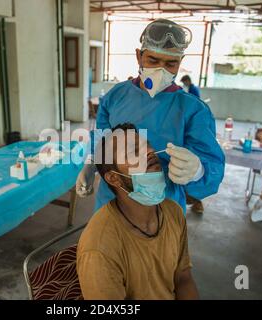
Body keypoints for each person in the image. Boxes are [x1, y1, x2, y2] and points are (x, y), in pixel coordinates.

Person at [76, 19, 225, 213]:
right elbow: (102, 140)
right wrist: (91, 164)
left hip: (163, 208)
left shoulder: (192, 110)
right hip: (112, 201)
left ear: (180, 62)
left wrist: (198, 171)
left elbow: (212, 170)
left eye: (170, 64)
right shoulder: (116, 96)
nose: (160, 70)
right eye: (153, 61)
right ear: (139, 56)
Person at [77, 124, 199, 300]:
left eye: (147, 144)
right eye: (134, 152)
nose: (149, 151)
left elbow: (183, 279)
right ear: (114, 178)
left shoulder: (173, 213)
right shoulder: (100, 248)